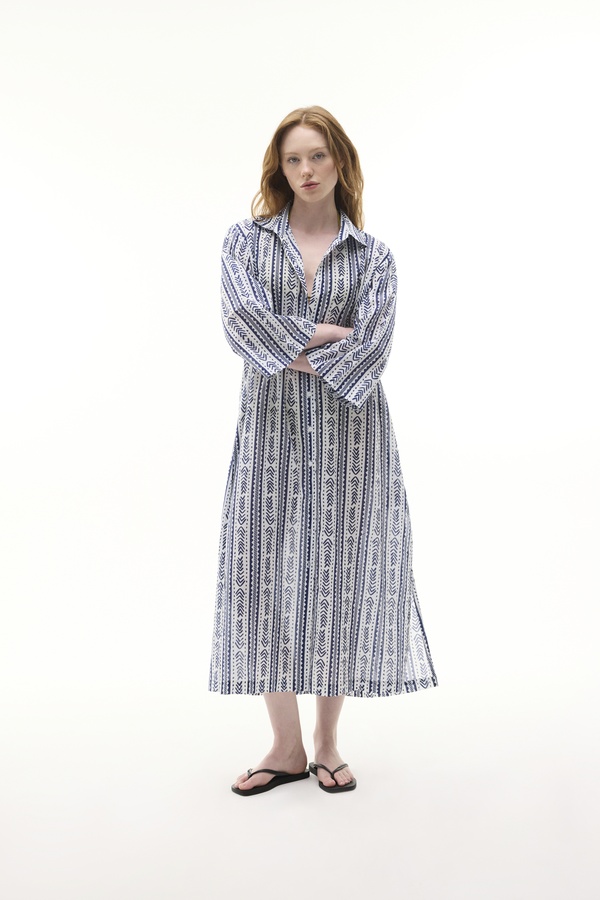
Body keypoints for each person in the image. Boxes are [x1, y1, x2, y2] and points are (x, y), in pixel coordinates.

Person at [209, 106, 438, 796]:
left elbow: (373, 347)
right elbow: (242, 323)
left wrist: (289, 344)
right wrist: (323, 338)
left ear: (340, 160)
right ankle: (285, 746)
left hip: (351, 435)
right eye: (293, 160)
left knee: (339, 573)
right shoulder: (245, 242)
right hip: (269, 432)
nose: (306, 171)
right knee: (262, 575)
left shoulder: (374, 257)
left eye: (317, 156)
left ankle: (328, 743)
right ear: (278, 169)